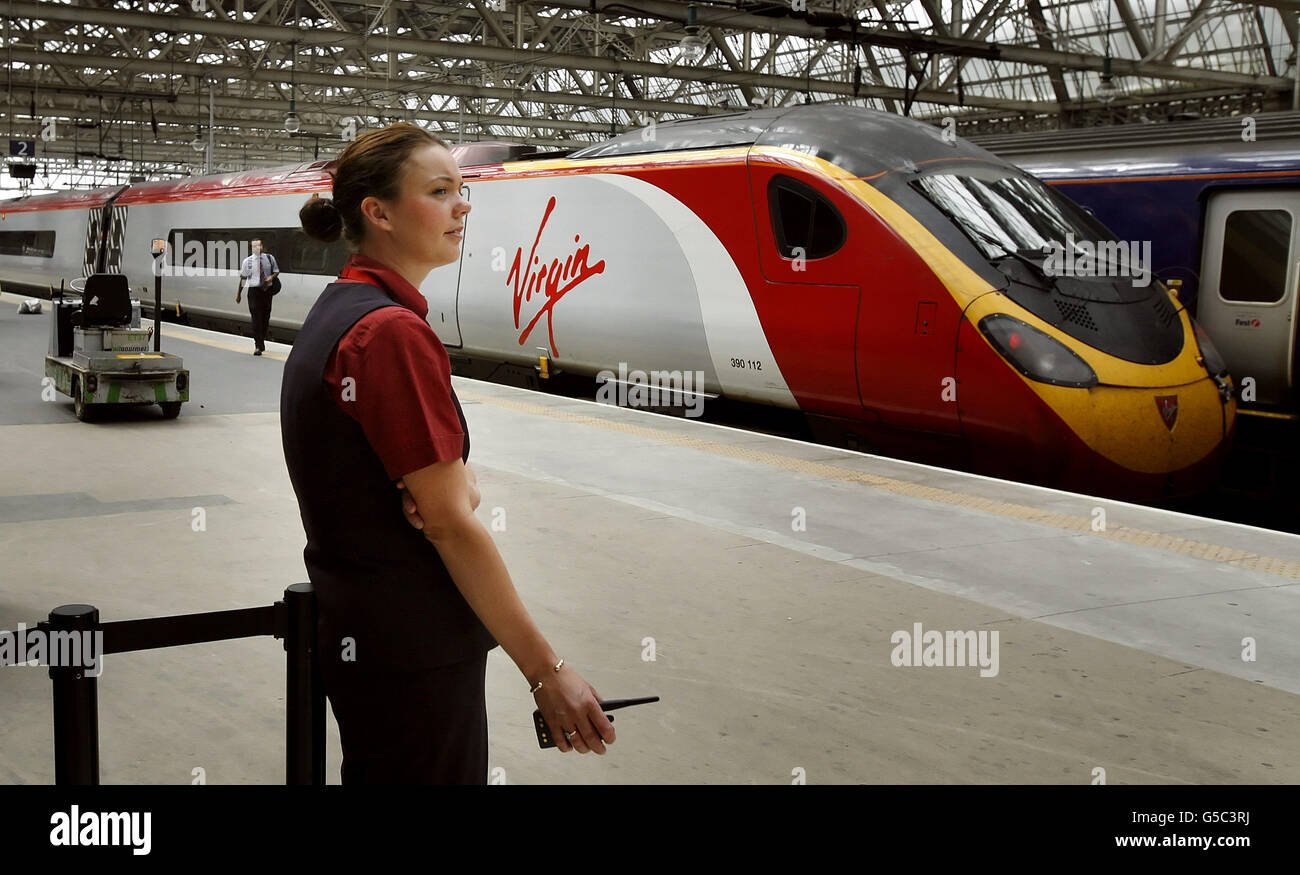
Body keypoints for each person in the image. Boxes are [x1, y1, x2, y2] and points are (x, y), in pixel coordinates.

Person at [282, 122, 614, 784]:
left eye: (463, 191)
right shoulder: (390, 335)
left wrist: (445, 495)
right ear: (377, 212)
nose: (463, 206)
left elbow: (424, 495)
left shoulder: (337, 312)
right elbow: (449, 522)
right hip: (414, 648)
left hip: (365, 631)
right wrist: (547, 671)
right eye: (440, 191)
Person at [237, 238, 279, 355]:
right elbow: (243, 278)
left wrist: (272, 277)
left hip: (267, 292)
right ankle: (258, 346)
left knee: (265, 318)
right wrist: (239, 294)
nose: (256, 248)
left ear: (262, 246)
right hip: (254, 292)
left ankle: (261, 341)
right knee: (256, 319)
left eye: (258, 246)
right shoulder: (247, 261)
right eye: (253, 246)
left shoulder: (270, 258)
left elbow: (276, 271)